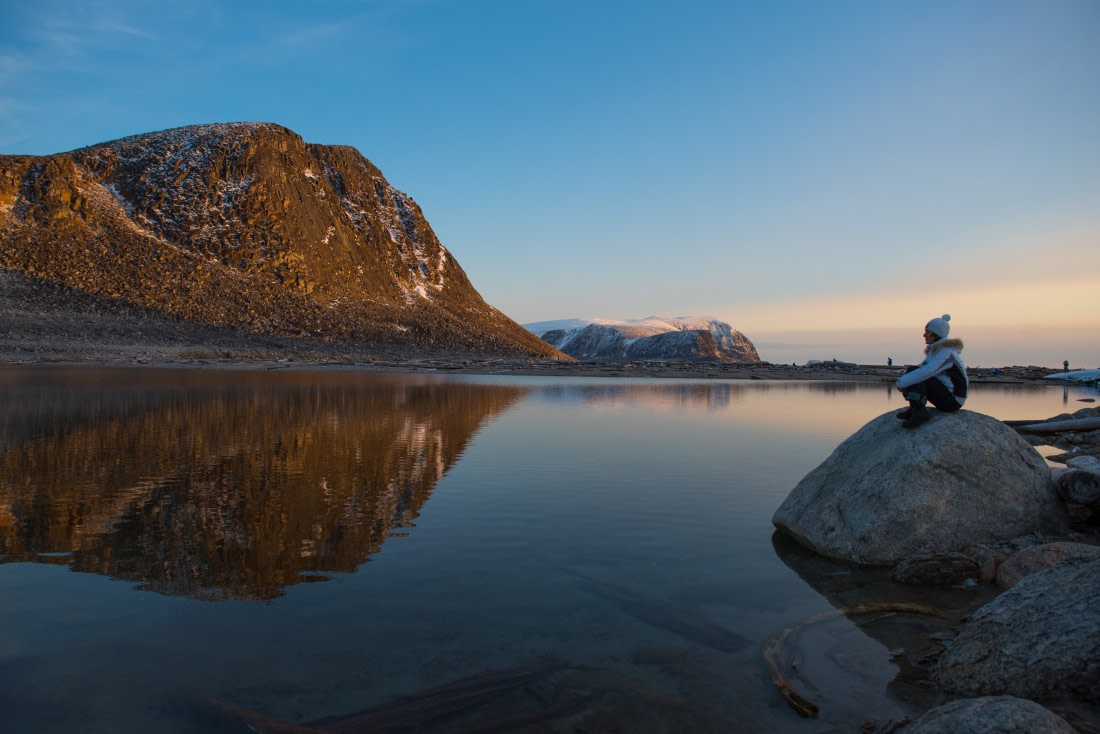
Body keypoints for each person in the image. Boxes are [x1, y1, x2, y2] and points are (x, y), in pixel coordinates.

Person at [895, 314, 967, 429]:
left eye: (928, 332)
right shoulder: (936, 352)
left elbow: (927, 371)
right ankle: (915, 409)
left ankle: (919, 413)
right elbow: (920, 369)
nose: (924, 335)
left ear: (936, 334)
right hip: (946, 395)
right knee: (912, 371)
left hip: (953, 401)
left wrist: (901, 383)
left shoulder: (946, 353)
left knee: (917, 375)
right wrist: (905, 381)